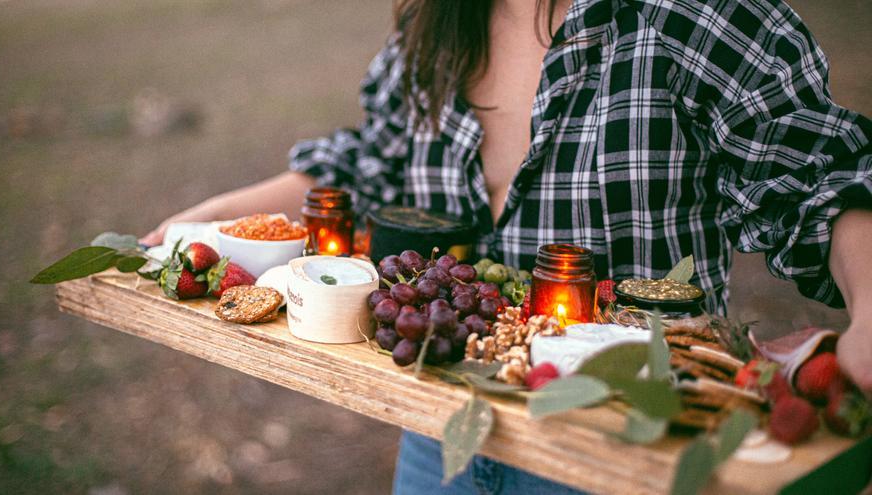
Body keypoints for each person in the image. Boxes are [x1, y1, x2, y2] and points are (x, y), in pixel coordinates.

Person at [142, 0, 872, 492]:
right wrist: (207, 222)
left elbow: (820, 176)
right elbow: (365, 162)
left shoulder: (697, 19)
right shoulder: (436, 24)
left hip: (626, 450)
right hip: (439, 438)